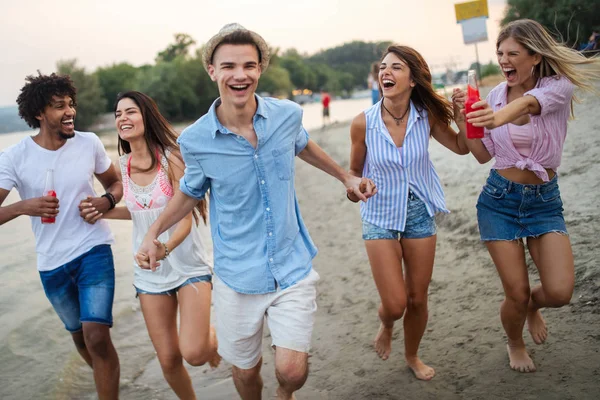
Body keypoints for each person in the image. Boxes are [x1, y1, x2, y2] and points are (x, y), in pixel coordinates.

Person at [135, 23, 376, 400]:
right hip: (236, 275)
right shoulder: (195, 140)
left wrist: (344, 176)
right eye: (228, 66)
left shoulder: (287, 115)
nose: (239, 75)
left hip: (291, 263)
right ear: (212, 71)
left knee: (292, 371)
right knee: (246, 374)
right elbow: (188, 191)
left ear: (260, 68)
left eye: (249, 65)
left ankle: (285, 394)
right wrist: (154, 233)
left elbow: (302, 144)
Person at [452, 19, 600, 373]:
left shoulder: (556, 87)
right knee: (515, 293)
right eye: (500, 53)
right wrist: (464, 120)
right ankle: (514, 342)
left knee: (560, 293)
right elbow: (482, 154)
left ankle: (533, 306)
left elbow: (528, 106)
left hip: (544, 200)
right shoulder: (493, 97)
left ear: (534, 57)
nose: (504, 60)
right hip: (499, 201)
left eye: (512, 54)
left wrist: (494, 116)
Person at [79, 91, 220, 398]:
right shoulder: (123, 164)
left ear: (146, 116)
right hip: (148, 271)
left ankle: (212, 340)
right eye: (118, 114)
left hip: (187, 265)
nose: (122, 118)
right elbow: (141, 210)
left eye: (130, 112)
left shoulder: (173, 158)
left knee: (194, 353)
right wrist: (101, 211)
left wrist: (164, 247)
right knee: (169, 358)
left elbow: (184, 217)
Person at [347, 45, 469, 381]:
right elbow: (352, 178)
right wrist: (358, 187)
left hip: (418, 211)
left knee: (417, 298)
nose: (386, 72)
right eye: (383, 67)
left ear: (413, 79)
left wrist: (460, 119)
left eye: (396, 67)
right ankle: (386, 323)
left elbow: (461, 147)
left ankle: (412, 355)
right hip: (380, 215)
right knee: (396, 303)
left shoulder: (426, 116)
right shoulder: (362, 124)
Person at [0, 73, 122, 399]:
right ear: (39, 113)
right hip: (51, 264)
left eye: (71, 104)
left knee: (97, 336)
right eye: (59, 106)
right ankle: (109, 382)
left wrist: (105, 200)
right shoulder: (14, 157)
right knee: (81, 339)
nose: (70, 112)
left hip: (93, 249)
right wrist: (23, 206)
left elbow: (116, 183)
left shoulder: (89, 143)